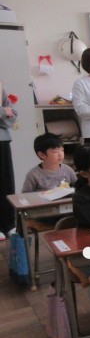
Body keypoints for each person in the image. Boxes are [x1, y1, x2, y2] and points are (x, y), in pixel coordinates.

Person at [0, 82, 17, 240]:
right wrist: (2, 112)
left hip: (3, 140)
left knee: (6, 183)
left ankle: (9, 224)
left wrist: (4, 114)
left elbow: (13, 114)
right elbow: (5, 111)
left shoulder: (1, 88)